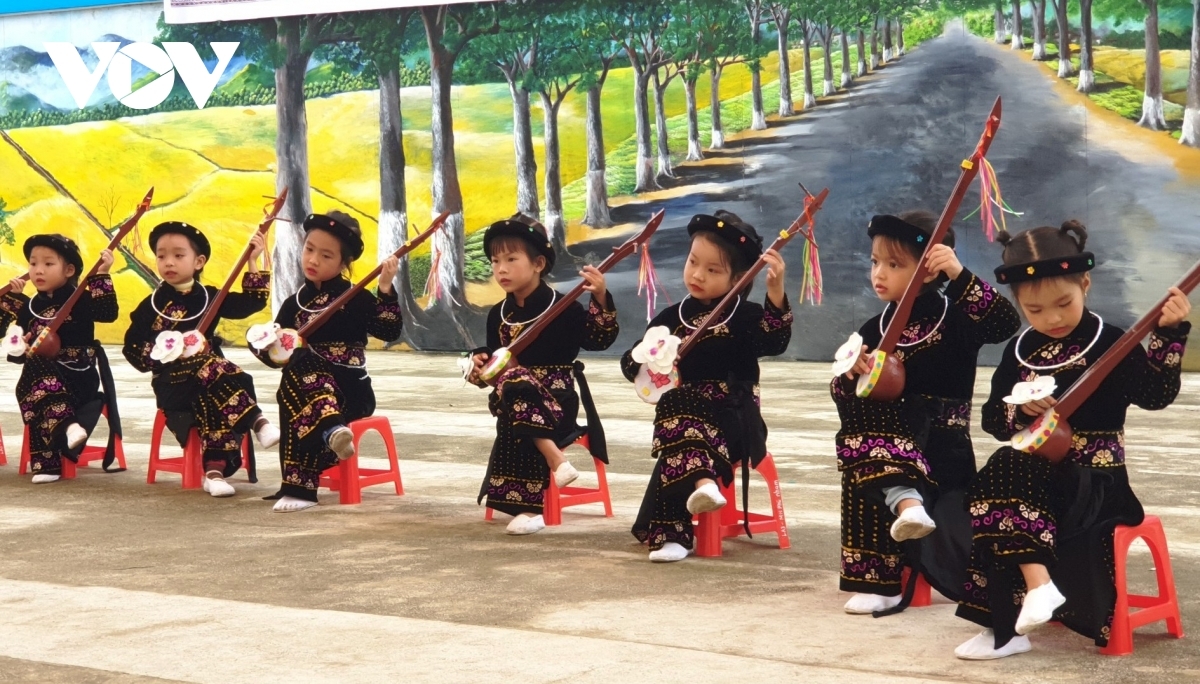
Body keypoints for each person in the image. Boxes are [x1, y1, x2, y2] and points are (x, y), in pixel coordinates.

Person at [954, 221, 1191, 659]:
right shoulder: (1020, 350)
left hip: (1096, 480)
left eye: (1064, 303)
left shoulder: (1112, 341)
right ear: (1019, 303)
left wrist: (1169, 335)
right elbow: (992, 420)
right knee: (1001, 475)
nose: (1053, 318)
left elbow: (1154, 395)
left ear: (1085, 283)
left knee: (1002, 476)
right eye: (1036, 310)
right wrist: (1019, 411)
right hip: (1035, 473)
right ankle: (1019, 611)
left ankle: (1012, 620)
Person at [833, 212, 1019, 614]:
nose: (879, 273)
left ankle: (906, 511)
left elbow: (1005, 322)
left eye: (894, 264)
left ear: (930, 270)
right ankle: (879, 575)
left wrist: (959, 273)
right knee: (861, 446)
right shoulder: (871, 328)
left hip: (941, 449)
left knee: (866, 452)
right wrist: (851, 377)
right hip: (887, 447)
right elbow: (843, 397)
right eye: (875, 261)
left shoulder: (956, 317)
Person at [621, 210, 792, 562]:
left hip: (734, 418)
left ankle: (682, 521)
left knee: (677, 414)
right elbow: (633, 365)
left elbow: (774, 341)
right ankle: (695, 501)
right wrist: (640, 359)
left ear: (738, 279)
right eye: (693, 262)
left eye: (713, 270)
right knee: (677, 407)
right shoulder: (669, 320)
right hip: (683, 420)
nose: (697, 275)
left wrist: (776, 293)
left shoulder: (746, 316)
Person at [465, 214, 619, 535]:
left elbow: (598, 339)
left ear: (538, 264)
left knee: (515, 389)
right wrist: (478, 367)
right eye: (495, 261)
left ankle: (529, 507)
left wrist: (601, 296)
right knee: (512, 381)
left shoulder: (563, 307)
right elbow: (494, 370)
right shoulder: (498, 314)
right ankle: (554, 462)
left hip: (557, 402)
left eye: (511, 259)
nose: (500, 269)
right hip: (512, 401)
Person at [251, 211, 402, 512]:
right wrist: (262, 345)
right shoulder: (293, 304)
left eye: (326, 255)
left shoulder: (354, 297)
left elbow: (388, 329)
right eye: (309, 249)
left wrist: (385, 287)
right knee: (295, 373)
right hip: (309, 390)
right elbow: (278, 358)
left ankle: (303, 487)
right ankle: (329, 433)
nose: (314, 260)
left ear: (344, 263)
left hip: (349, 390)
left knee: (297, 373)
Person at [123, 221, 278, 497]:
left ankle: (214, 473)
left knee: (211, 393)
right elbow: (132, 348)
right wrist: (165, 354)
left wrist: (253, 261)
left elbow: (252, 303)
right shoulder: (151, 306)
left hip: (212, 381)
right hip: (172, 384)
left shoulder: (210, 297)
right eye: (161, 256)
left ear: (199, 261)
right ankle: (257, 421)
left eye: (178, 255)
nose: (168, 262)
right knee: (213, 369)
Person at [1, 235, 120, 483]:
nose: (38, 270)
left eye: (48, 264)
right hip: (43, 376)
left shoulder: (80, 300)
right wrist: (8, 305)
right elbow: (18, 351)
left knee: (34, 386)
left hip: (79, 375)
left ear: (69, 270)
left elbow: (107, 314)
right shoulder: (28, 307)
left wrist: (102, 275)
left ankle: (49, 461)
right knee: (34, 377)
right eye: (33, 264)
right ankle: (68, 429)